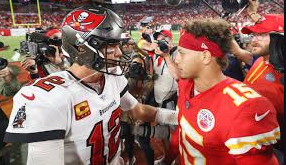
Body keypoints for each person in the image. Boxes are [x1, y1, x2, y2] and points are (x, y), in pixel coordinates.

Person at [4, 6, 174, 165]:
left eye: (117, 44)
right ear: (81, 48)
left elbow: (139, 111)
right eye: (110, 45)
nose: (119, 52)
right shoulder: (47, 98)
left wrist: (180, 118)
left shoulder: (111, 76)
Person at [158, 18, 280, 164]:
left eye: (182, 53)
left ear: (205, 56)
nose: (176, 59)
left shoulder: (245, 108)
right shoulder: (186, 84)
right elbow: (183, 129)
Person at [239, 0, 284, 154]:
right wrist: (253, 14)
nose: (253, 39)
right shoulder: (260, 60)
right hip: (254, 141)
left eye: (261, 34)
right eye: (254, 34)